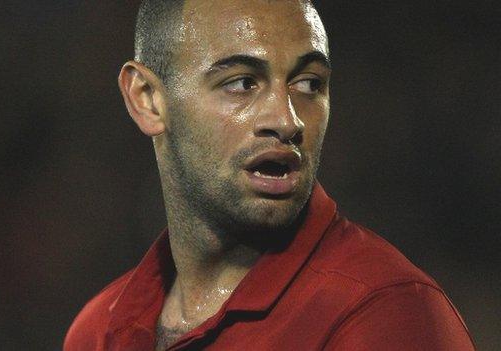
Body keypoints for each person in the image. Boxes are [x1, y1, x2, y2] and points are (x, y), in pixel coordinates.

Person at [64, 0, 476, 350]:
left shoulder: (383, 312)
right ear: (148, 100)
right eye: (242, 83)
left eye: (308, 83)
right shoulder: (96, 330)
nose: (287, 119)